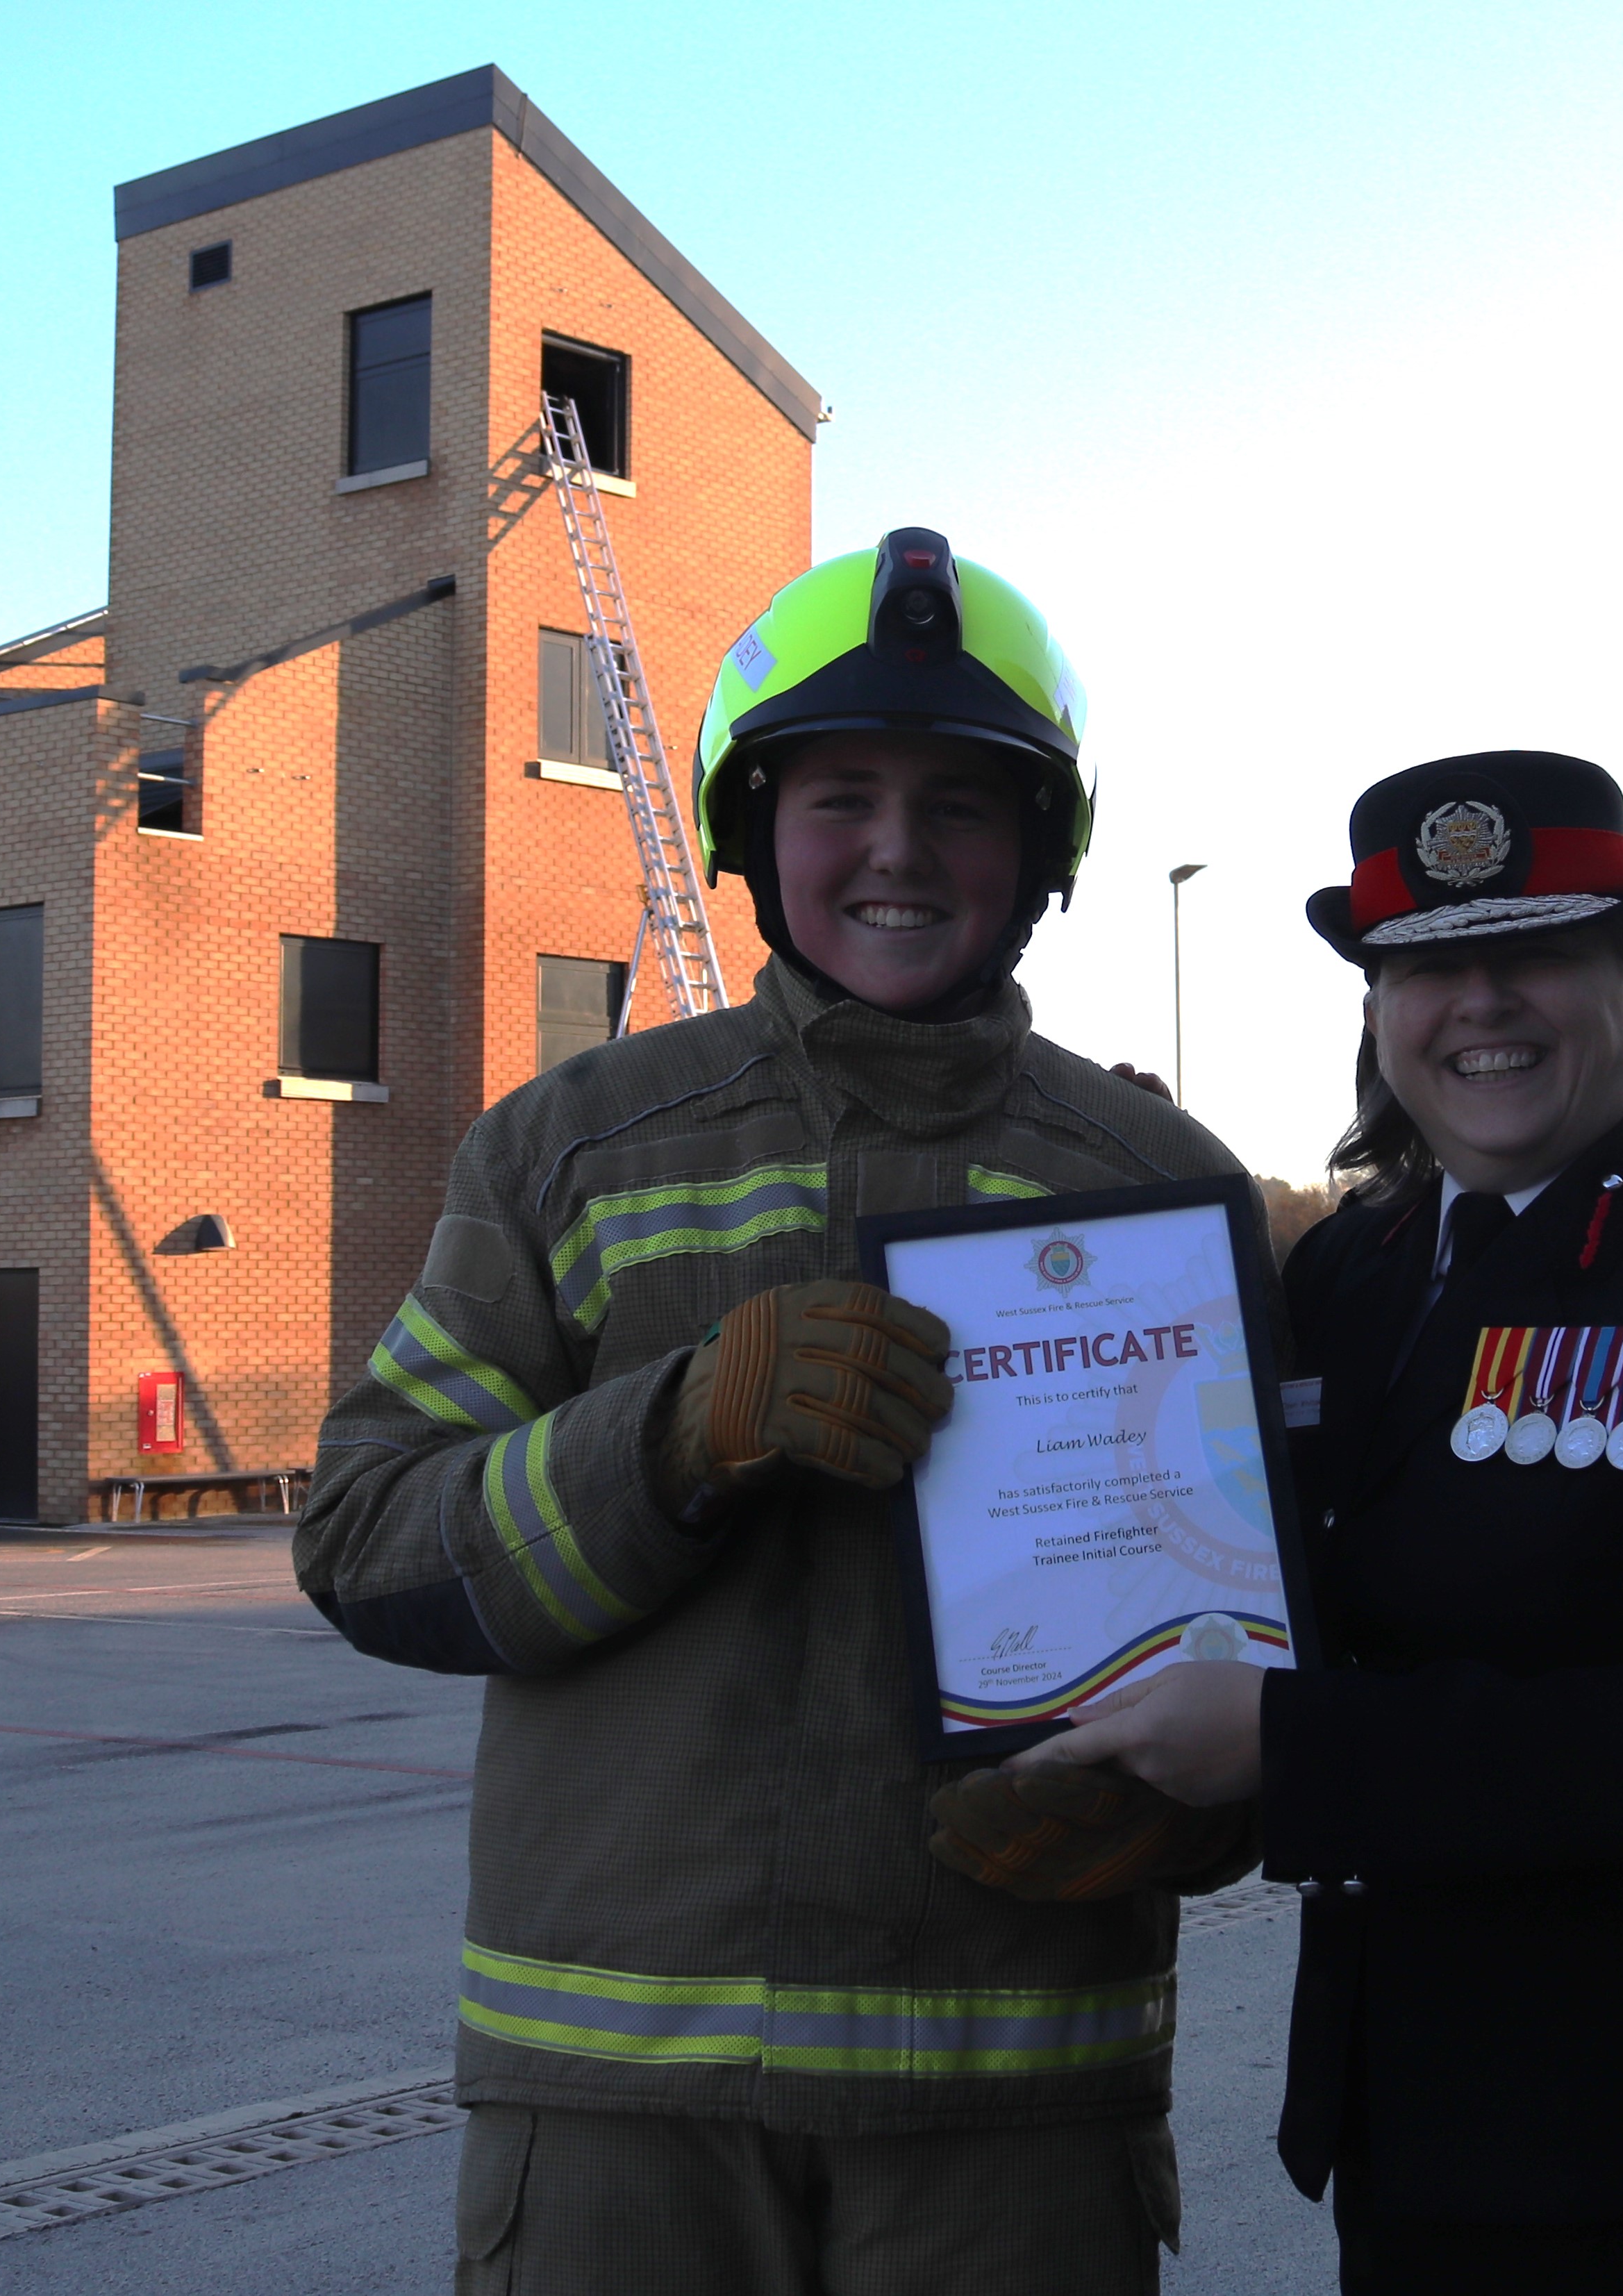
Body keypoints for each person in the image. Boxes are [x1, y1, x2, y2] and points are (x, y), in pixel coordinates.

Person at [292, 529, 1254, 2296]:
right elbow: (369, 1545)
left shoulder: (1154, 1191)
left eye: (963, 803)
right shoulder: (571, 1150)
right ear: (750, 833)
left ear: (1043, 854)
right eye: (842, 797)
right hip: (620, 2124)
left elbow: (1246, 1628)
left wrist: (1191, 1811)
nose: (898, 849)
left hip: (1016, 2118)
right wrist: (670, 1438)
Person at [1015, 751, 1623, 2291]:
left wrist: (1285, 1748)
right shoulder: (1346, 1280)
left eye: (1539, 954)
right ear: (1380, 1015)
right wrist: (1118, 1231)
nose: (1484, 1006)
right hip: (1426, 2119)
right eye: (1432, 968)